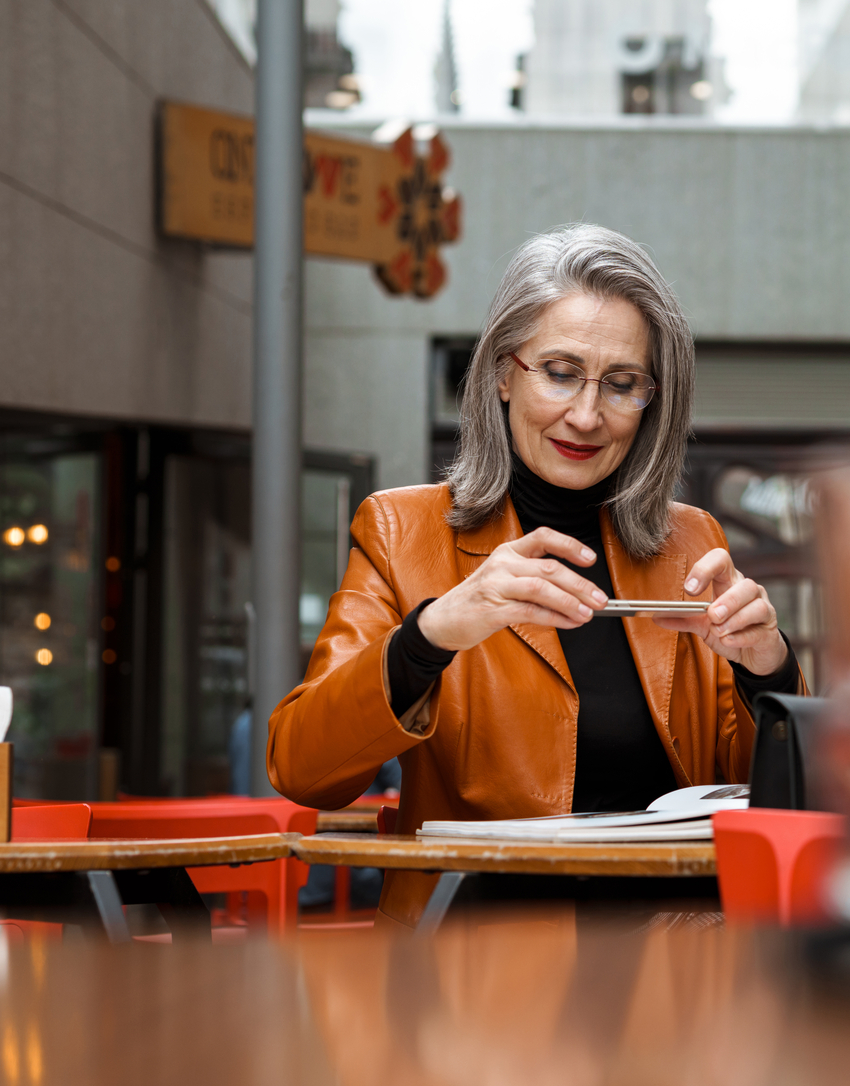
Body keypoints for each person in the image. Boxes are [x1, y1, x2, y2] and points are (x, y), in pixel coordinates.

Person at [268, 224, 803, 925]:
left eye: (622, 384)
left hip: (677, 965)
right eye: (559, 372)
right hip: (479, 970)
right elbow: (305, 769)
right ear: (500, 371)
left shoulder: (689, 540)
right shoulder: (404, 532)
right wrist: (431, 633)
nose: (586, 414)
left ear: (654, 400)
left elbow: (781, 793)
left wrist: (767, 668)